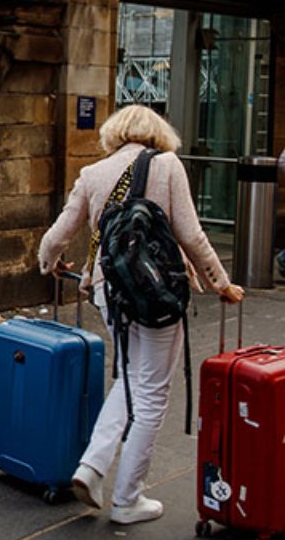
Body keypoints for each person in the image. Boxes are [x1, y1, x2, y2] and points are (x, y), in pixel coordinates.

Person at [38, 105, 244, 525]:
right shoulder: (167, 165)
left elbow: (58, 234)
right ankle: (127, 498)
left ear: (115, 133)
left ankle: (92, 467)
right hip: (158, 294)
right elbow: (191, 233)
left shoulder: (93, 174)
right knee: (151, 394)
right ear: (158, 133)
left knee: (130, 378)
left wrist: (51, 263)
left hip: (110, 292)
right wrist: (222, 283)